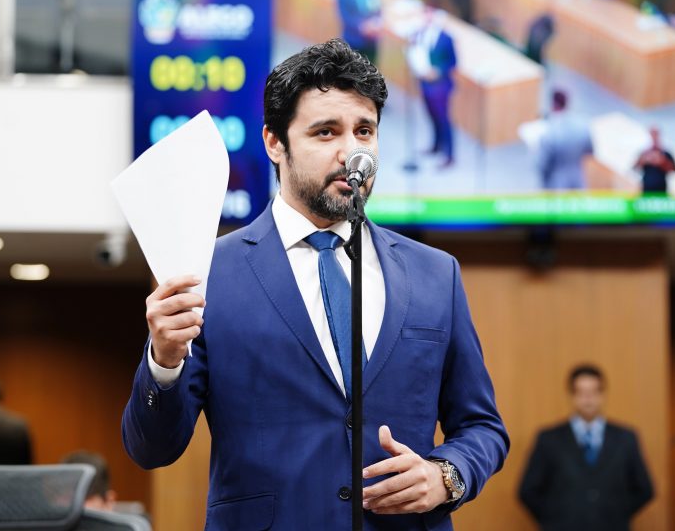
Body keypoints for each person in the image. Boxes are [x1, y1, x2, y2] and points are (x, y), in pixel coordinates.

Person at [122, 38, 508, 530]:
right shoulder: (210, 273)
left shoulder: (435, 274)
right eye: (326, 132)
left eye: (364, 131)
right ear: (274, 143)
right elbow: (151, 447)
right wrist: (164, 361)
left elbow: (482, 427)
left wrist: (445, 476)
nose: (353, 153)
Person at [519, 364, 653, 531]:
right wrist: (553, 518)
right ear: (572, 395)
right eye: (581, 392)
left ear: (603, 394)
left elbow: (644, 489)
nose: (588, 399)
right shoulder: (548, 439)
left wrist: (618, 513)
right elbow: (527, 490)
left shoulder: (626, 438)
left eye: (593, 392)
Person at [407, 9, 457, 167]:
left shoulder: (446, 38)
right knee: (431, 115)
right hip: (425, 83)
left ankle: (449, 154)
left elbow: (453, 62)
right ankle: (436, 145)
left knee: (443, 119)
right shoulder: (419, 34)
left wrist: (438, 71)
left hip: (440, 85)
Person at [536, 89, 594, 190]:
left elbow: (543, 164)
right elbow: (590, 150)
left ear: (553, 105)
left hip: (556, 184)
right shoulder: (583, 125)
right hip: (577, 179)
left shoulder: (549, 133)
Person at [337, 0, 381, 64]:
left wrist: (376, 23)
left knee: (371, 70)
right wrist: (362, 27)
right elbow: (346, 17)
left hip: (371, 45)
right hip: (353, 44)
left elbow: (377, 10)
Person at [634, 126, 675, 194]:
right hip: (646, 189)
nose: (654, 137)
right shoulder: (644, 153)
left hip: (661, 189)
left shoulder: (666, 153)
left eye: (656, 134)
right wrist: (644, 160)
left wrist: (662, 162)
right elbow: (634, 168)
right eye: (652, 134)